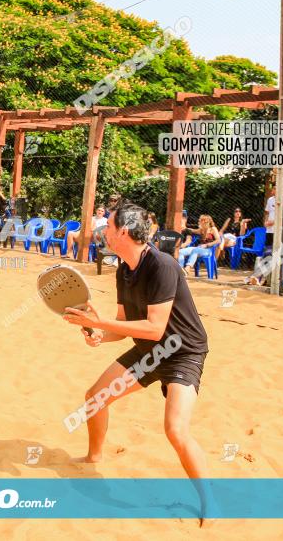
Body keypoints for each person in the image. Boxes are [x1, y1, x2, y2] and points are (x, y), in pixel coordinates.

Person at [62, 200, 213, 527]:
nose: (105, 229)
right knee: (95, 397)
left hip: (182, 352)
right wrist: (100, 334)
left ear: (125, 232)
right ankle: (94, 457)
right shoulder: (123, 269)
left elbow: (155, 326)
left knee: (175, 430)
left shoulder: (162, 266)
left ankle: (210, 502)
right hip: (149, 350)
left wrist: (102, 326)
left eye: (110, 225)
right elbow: (123, 322)